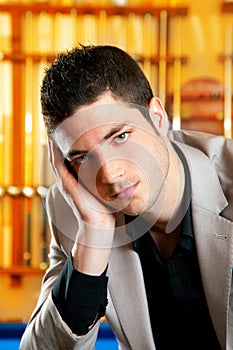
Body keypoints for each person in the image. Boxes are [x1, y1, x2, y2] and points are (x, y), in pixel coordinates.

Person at [20, 44, 233, 350]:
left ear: (157, 117)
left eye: (120, 137)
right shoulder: (72, 210)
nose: (109, 174)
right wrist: (93, 234)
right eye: (82, 157)